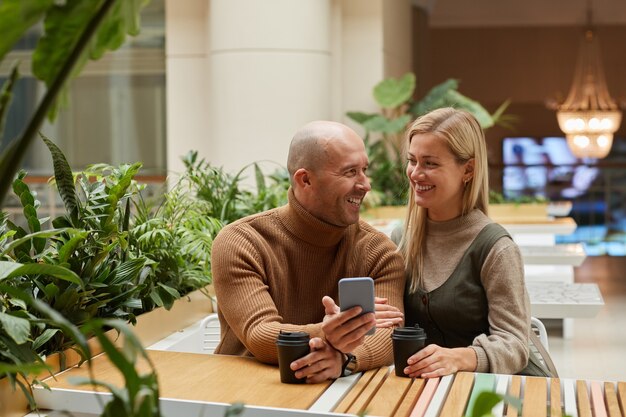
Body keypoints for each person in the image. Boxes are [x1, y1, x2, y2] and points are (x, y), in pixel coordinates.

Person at [211, 120, 405, 383]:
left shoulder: (380, 252)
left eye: (364, 170)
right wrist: (328, 334)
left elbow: (389, 332)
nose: (366, 184)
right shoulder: (242, 241)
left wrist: (344, 359)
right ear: (305, 179)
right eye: (350, 172)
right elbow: (260, 333)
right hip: (240, 395)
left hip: (335, 396)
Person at [391, 107, 540, 378]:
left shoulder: (496, 248)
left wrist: (461, 357)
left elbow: (516, 345)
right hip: (428, 391)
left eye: (430, 163)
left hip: (495, 393)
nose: (415, 173)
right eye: (412, 161)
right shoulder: (400, 239)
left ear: (468, 169)